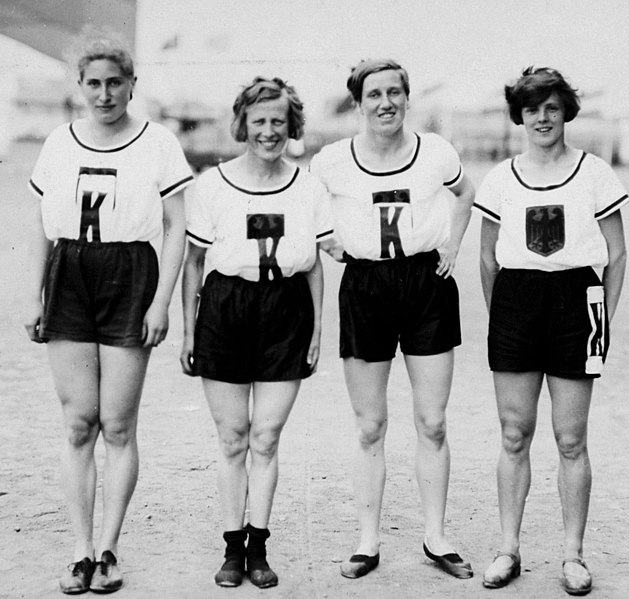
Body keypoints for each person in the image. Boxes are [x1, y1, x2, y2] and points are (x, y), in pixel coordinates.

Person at [24, 30, 193, 594]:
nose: (104, 94)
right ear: (79, 87)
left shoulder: (158, 142)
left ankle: (109, 548)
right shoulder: (58, 143)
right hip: (69, 274)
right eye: (93, 83)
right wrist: (34, 297)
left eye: (114, 83)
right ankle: (78, 549)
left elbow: (176, 229)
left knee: (118, 424)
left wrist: (161, 299)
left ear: (131, 86)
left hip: (131, 274)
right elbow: (39, 227)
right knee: (78, 423)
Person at [309, 58, 476, 580]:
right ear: (358, 103)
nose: (385, 103)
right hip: (365, 285)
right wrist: (325, 239)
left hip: (426, 285)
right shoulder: (332, 161)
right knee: (370, 424)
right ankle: (367, 541)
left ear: (407, 97)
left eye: (394, 93)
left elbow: (466, 192)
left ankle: (436, 536)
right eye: (374, 94)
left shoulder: (435, 152)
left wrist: (452, 242)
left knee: (432, 420)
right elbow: (305, 208)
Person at [475, 67, 628, 595]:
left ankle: (572, 555)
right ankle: (508, 548)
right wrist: (505, 318)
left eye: (552, 107)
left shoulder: (595, 173)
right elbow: (488, 259)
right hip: (517, 301)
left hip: (575, 302)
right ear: (519, 115)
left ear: (566, 112)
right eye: (532, 108)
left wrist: (601, 316)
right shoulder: (500, 178)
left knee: (570, 438)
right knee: (514, 433)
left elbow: (618, 254)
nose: (542, 118)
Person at [180, 77, 334, 589]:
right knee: (232, 438)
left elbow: (314, 265)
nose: (268, 131)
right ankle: (231, 549)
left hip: (285, 309)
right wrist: (188, 331)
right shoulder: (212, 184)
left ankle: (258, 546)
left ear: (292, 127)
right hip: (226, 308)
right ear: (242, 124)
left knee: (266, 437)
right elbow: (195, 260)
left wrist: (315, 329)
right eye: (259, 121)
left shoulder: (309, 186)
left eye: (278, 122)